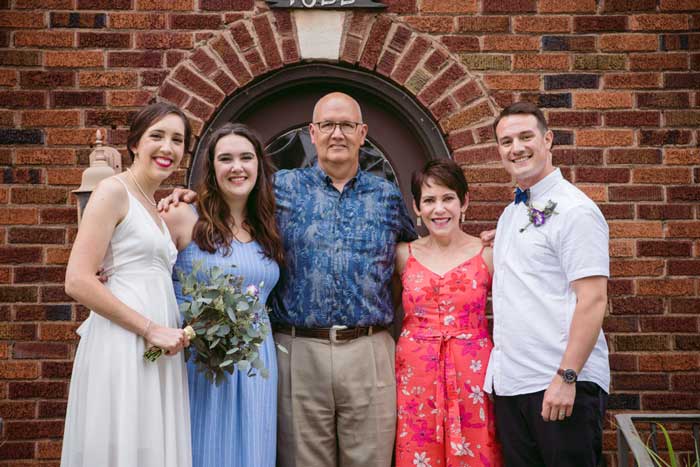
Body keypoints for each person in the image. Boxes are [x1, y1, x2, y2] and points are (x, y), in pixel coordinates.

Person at [160, 92, 417, 467]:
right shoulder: (279, 189)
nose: (337, 133)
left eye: (347, 125)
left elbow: (415, 261)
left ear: (363, 133)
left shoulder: (388, 196)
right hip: (299, 349)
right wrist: (184, 198)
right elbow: (228, 199)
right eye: (327, 125)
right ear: (312, 133)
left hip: (369, 349)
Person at [61, 102, 192, 467]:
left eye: (177, 140)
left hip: (158, 346)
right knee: (122, 442)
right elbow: (78, 279)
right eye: (157, 136)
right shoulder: (111, 191)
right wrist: (150, 329)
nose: (168, 147)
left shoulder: (155, 205)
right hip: (124, 341)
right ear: (135, 143)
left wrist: (194, 196)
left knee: (148, 446)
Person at [485, 101, 610, 467]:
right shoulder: (511, 214)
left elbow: (593, 299)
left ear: (548, 139)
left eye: (526, 137)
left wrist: (566, 377)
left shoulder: (576, 210)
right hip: (512, 385)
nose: (517, 148)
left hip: (559, 383)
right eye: (506, 141)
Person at [162, 123, 284, 467]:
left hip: (256, 361)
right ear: (212, 169)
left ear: (259, 166)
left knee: (254, 452)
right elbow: (140, 265)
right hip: (198, 359)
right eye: (226, 159)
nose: (237, 167)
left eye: (246, 158)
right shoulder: (182, 216)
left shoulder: (268, 226)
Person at [394, 159, 502, 467]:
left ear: (464, 201)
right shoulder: (404, 255)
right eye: (429, 200)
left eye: (447, 198)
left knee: (476, 450)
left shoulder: (489, 254)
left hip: (473, 371)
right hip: (416, 374)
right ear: (416, 207)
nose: (438, 209)